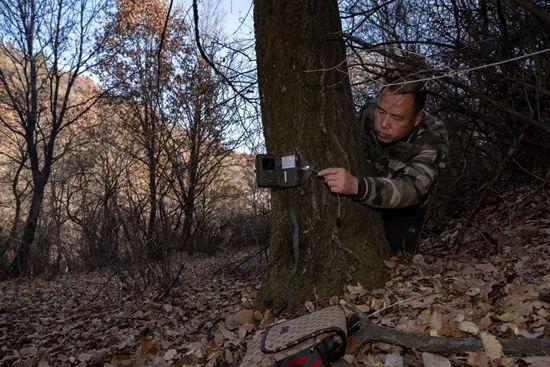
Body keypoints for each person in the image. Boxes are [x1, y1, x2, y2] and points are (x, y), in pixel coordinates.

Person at [318, 76, 449, 254]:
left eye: (397, 117)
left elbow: (412, 189)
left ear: (417, 119)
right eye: (381, 111)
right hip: (363, 189)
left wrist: (357, 186)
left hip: (403, 210)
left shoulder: (433, 135)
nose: (384, 124)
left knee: (397, 257)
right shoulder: (370, 111)